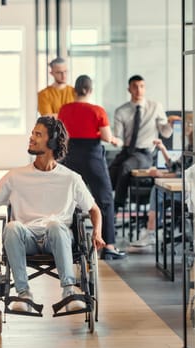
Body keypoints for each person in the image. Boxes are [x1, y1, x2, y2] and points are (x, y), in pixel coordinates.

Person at [0, 116, 106, 313]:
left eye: (37, 134)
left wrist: (97, 233)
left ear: (53, 142)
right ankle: (24, 294)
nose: (31, 138)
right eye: (32, 133)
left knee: (55, 224)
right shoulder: (15, 176)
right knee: (12, 226)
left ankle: (69, 291)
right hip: (26, 238)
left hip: (57, 237)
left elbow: (94, 209)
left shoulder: (71, 178)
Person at [58, 75, 125, 260]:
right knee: (104, 200)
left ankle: (72, 244)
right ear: (89, 90)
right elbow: (106, 136)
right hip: (92, 156)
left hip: (69, 155)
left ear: (75, 90)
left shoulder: (64, 109)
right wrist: (116, 140)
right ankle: (108, 245)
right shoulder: (97, 110)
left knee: (71, 200)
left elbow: (62, 134)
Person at [109, 75, 181, 210]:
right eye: (135, 87)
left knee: (125, 167)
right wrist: (114, 141)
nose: (138, 90)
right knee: (110, 172)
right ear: (129, 89)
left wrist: (170, 124)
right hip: (126, 151)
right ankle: (105, 205)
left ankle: (117, 205)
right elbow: (118, 137)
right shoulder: (121, 111)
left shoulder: (155, 107)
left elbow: (165, 132)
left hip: (144, 153)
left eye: (141, 86)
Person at [129, 113, 194, 249]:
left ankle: (151, 233)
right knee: (157, 189)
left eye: (188, 125)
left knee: (157, 190)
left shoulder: (194, 148)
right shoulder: (190, 147)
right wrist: (163, 148)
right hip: (186, 189)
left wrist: (160, 175)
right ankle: (150, 232)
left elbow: (183, 174)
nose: (185, 128)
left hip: (190, 192)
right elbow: (175, 167)